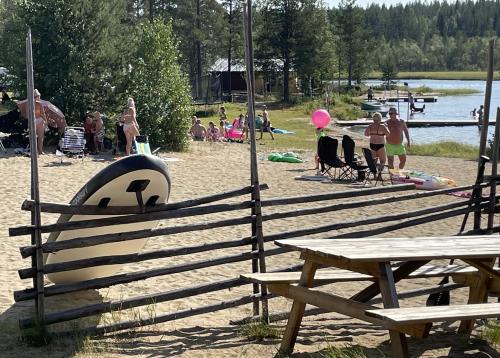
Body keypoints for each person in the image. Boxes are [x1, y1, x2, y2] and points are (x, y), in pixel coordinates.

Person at [33, 89, 47, 154]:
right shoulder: (39, 103)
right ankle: (40, 151)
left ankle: (34, 150)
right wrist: (46, 121)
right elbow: (43, 113)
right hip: (39, 120)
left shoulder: (29, 103)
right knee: (40, 137)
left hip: (32, 121)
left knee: (33, 137)